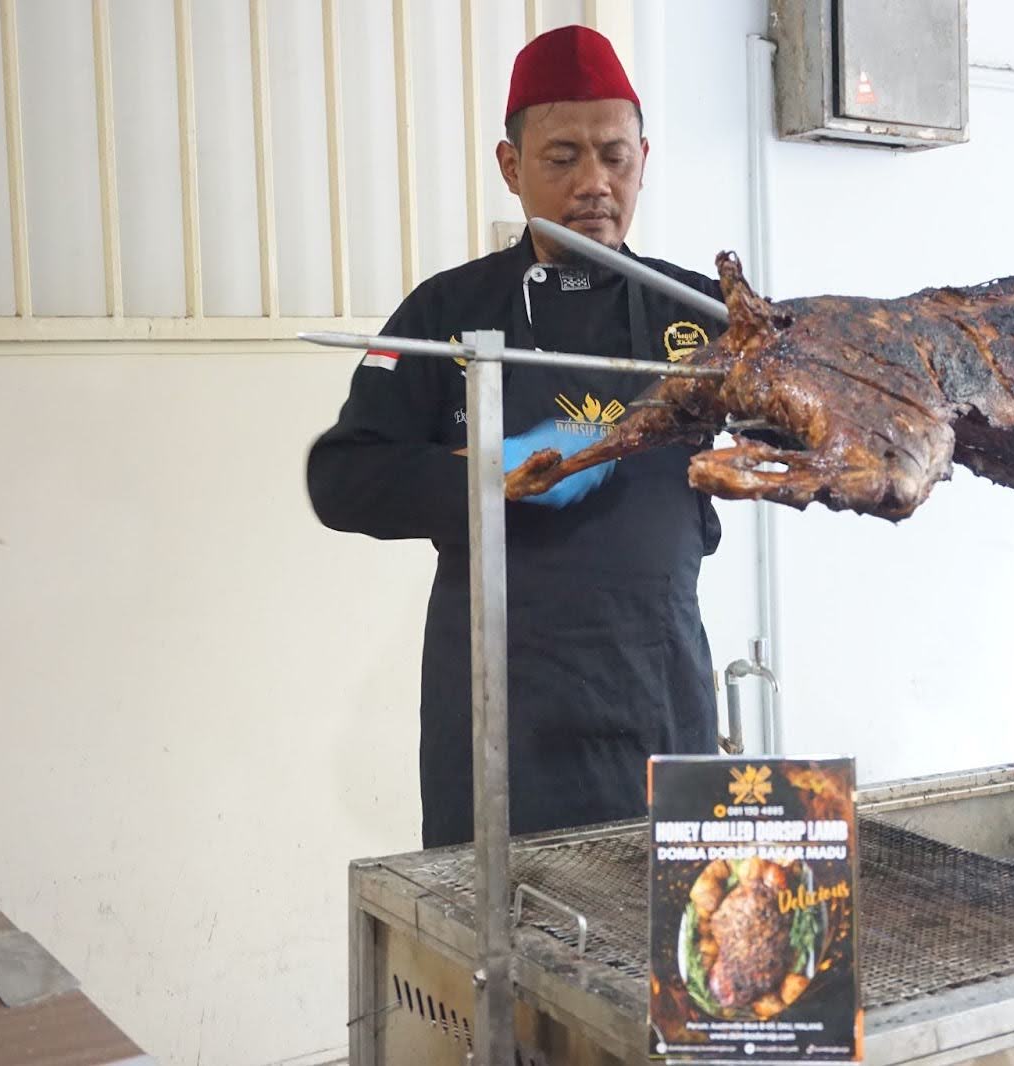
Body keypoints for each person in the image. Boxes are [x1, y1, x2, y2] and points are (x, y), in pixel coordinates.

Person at [307, 26, 727, 848]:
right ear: (512, 166)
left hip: (659, 687)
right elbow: (342, 477)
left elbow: (804, 422)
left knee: (674, 958)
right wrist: (492, 470)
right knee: (504, 957)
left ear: (645, 156)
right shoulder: (446, 313)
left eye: (615, 156)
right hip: (502, 705)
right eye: (562, 157)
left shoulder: (702, 313)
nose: (594, 184)